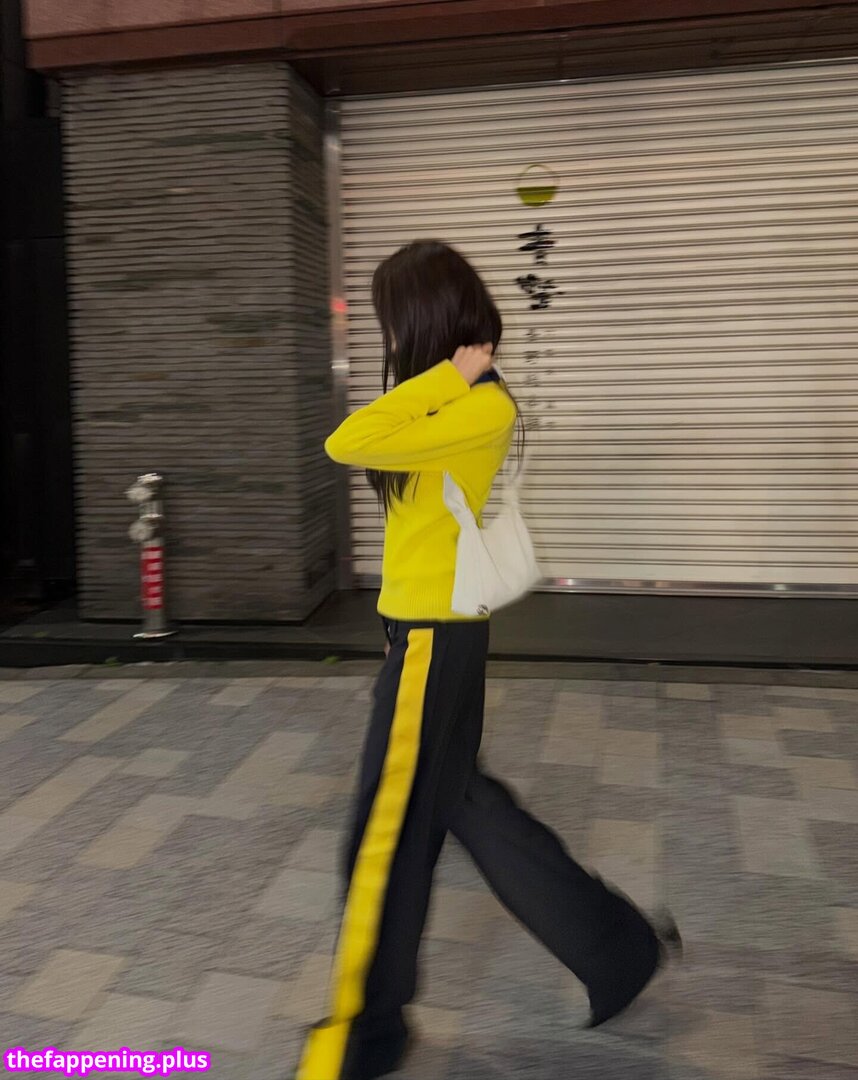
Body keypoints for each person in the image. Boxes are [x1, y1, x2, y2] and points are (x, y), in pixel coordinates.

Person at [294, 241, 679, 1080]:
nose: (388, 335)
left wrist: (445, 377)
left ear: (425, 319)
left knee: (384, 834)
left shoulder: (478, 406)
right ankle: (618, 950)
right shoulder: (441, 404)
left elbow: (345, 442)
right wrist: (437, 382)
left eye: (394, 318)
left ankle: (365, 1031)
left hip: (435, 639)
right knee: (467, 804)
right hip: (425, 633)